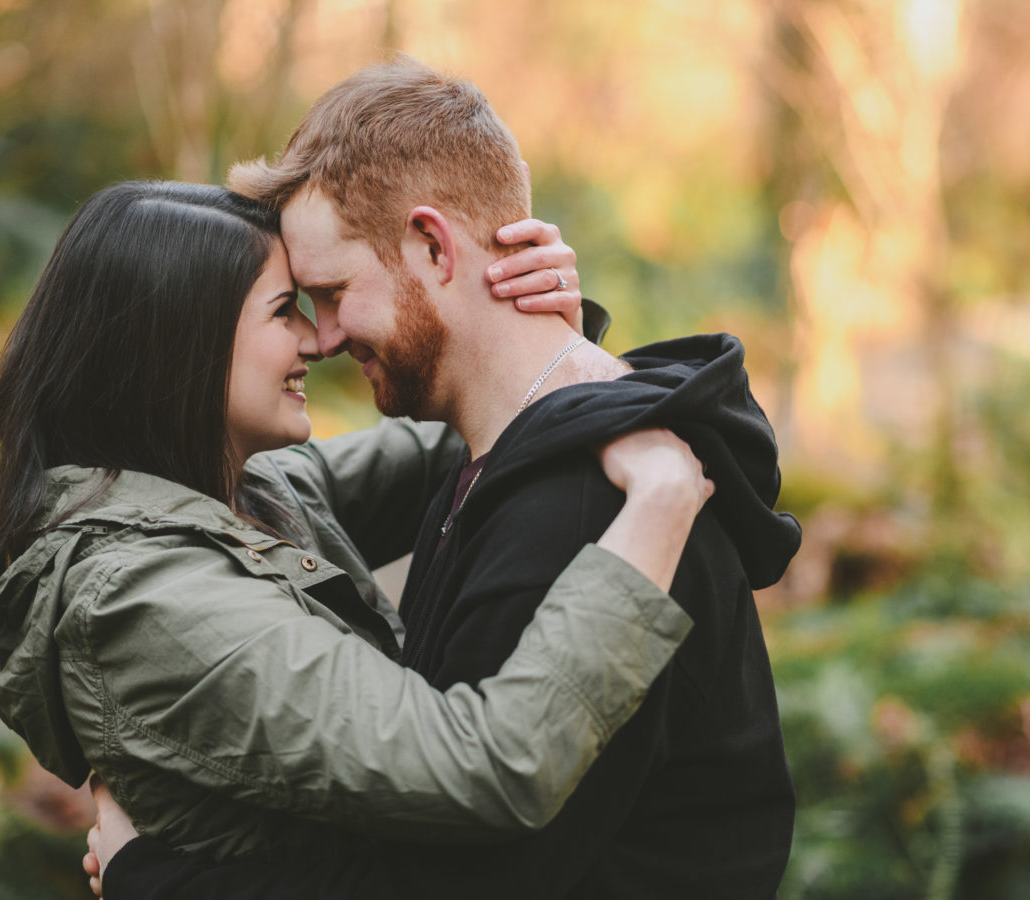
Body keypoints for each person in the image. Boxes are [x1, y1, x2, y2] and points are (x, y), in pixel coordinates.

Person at [89, 59, 802, 899]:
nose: (319, 340)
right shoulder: (506, 464)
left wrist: (156, 879)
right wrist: (565, 345)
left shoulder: (579, 515)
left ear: (432, 244)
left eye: (330, 292)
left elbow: (455, 879)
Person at [0, 180, 719, 862]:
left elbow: (473, 419)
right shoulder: (145, 601)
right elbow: (492, 767)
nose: (318, 341)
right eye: (285, 310)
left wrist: (523, 318)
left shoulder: (246, 495)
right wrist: (657, 508)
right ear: (179, 345)